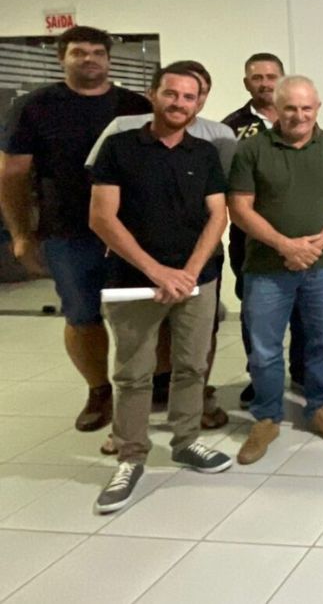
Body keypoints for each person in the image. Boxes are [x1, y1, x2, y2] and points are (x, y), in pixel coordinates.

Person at [89, 64, 233, 513]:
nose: (179, 103)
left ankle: (186, 441)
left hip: (196, 280)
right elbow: (102, 217)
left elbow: (218, 215)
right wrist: (158, 272)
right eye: (171, 94)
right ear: (153, 94)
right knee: (134, 373)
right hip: (134, 281)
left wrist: (189, 272)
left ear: (199, 103)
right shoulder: (119, 147)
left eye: (189, 97)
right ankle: (131, 457)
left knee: (191, 365)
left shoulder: (204, 153)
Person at [1, 25, 151, 435]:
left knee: (142, 314)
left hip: (133, 232)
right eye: (79, 52)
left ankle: (149, 387)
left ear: (108, 59)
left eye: (97, 52)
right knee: (82, 314)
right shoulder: (35, 107)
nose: (89, 59)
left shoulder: (134, 105)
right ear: (61, 58)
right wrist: (21, 234)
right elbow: (12, 175)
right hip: (68, 232)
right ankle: (99, 390)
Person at [227, 75, 323, 464]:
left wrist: (315, 245)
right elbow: (239, 208)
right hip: (267, 267)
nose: (299, 115)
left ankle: (318, 406)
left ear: (317, 108)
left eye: (306, 108)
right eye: (290, 108)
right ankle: (267, 417)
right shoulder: (251, 150)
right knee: (265, 348)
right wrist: (285, 245)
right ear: (276, 109)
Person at [222, 52, 306, 408]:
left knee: (304, 309)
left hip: (302, 234)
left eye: (272, 76)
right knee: (257, 313)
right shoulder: (231, 128)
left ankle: (302, 372)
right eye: (257, 77)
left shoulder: (302, 120)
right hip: (250, 238)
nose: (265, 83)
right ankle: (260, 378)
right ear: (247, 83)